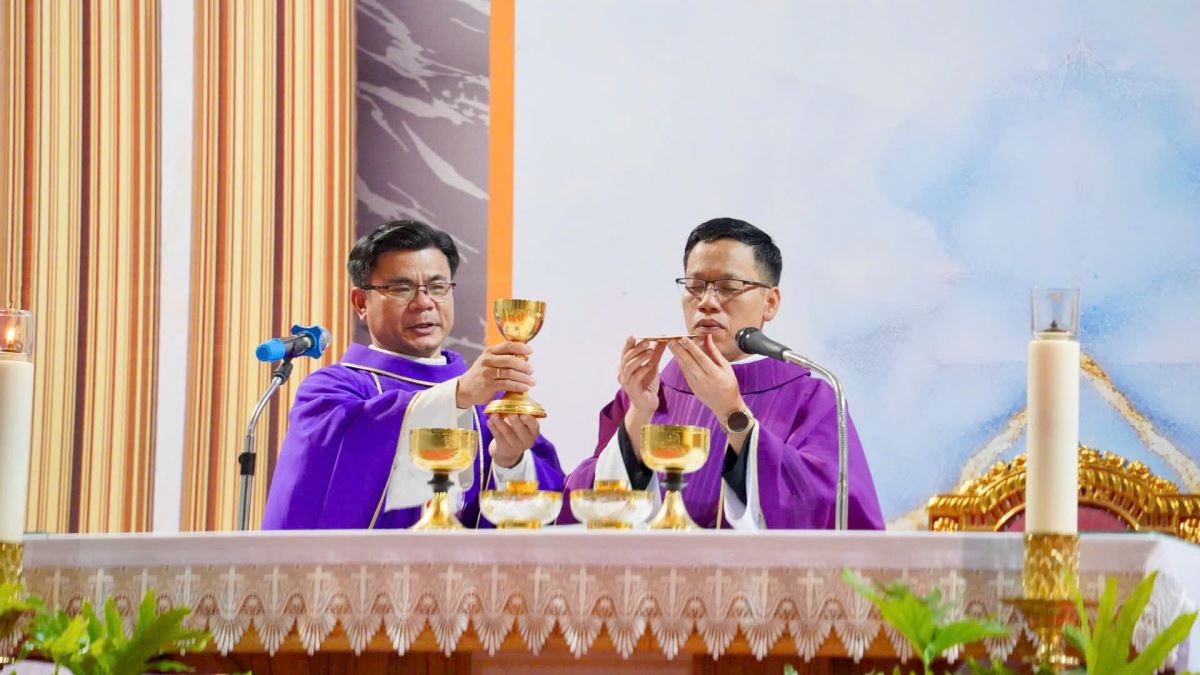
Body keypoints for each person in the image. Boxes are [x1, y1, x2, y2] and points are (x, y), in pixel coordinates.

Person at [562, 218, 883, 529]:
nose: (707, 302)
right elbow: (583, 509)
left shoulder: (811, 398)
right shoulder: (647, 391)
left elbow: (825, 509)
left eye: (728, 287)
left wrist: (731, 411)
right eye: (695, 286)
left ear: (770, 303)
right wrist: (638, 415)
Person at [263, 219, 563, 529]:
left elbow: (550, 509)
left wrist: (510, 462)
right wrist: (459, 394)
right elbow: (334, 474)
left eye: (437, 287)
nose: (423, 303)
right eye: (401, 288)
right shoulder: (332, 390)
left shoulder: (490, 401)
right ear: (361, 302)